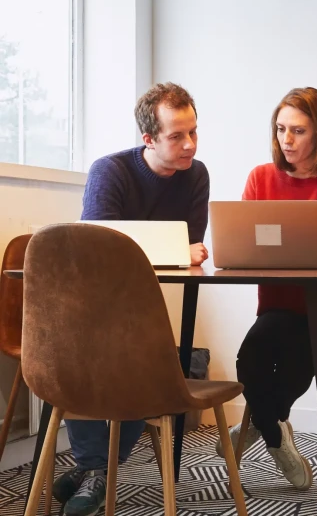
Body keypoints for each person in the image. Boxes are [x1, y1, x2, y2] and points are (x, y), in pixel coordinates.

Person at [53, 82, 210, 516]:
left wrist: (174, 249)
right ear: (149, 139)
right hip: (89, 297)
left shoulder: (196, 174)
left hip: (141, 300)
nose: (189, 144)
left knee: (151, 358)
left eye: (193, 132)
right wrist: (173, 248)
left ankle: (95, 470)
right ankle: (95, 467)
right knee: (76, 354)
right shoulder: (110, 171)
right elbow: (99, 248)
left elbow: (192, 247)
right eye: (177, 136)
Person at [216, 87, 317, 490]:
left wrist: (293, 252)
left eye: (298, 131)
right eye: (281, 128)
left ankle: (260, 424)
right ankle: (275, 434)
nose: (286, 140)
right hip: (283, 307)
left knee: (303, 346)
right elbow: (243, 244)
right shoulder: (261, 178)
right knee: (249, 357)